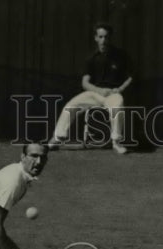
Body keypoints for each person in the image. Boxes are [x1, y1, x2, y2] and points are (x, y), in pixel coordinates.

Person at [48, 23, 133, 155]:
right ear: (96, 38)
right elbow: (85, 83)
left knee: (118, 104)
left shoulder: (121, 55)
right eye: (100, 37)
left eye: (106, 37)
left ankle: (116, 142)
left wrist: (119, 89)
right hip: (94, 93)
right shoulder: (91, 58)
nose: (103, 40)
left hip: (112, 94)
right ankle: (57, 138)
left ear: (110, 38)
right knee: (71, 105)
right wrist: (98, 91)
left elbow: (130, 77)